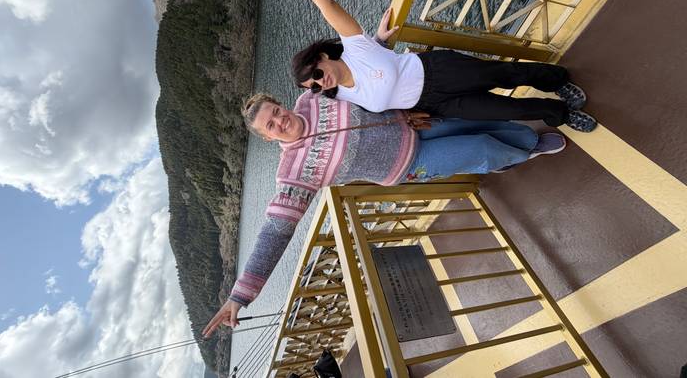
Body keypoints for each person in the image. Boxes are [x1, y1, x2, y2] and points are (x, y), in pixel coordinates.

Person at [202, 91, 566, 337]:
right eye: (271, 125)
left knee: (480, 125)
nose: (281, 121)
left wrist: (377, 41)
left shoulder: (311, 99)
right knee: (482, 149)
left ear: (282, 104)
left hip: (413, 121)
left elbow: (352, 79)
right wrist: (240, 296)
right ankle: (524, 152)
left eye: (277, 112)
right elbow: (276, 230)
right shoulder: (294, 171)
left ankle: (523, 140)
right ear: (267, 138)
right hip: (411, 163)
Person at [243, 0, 598, 133]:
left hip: (439, 71)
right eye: (315, 87)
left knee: (507, 75)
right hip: (436, 104)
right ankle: (560, 114)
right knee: (508, 111)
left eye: (317, 75)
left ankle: (559, 81)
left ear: (320, 57)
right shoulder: (341, 98)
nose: (322, 84)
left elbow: (323, 1)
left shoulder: (354, 45)